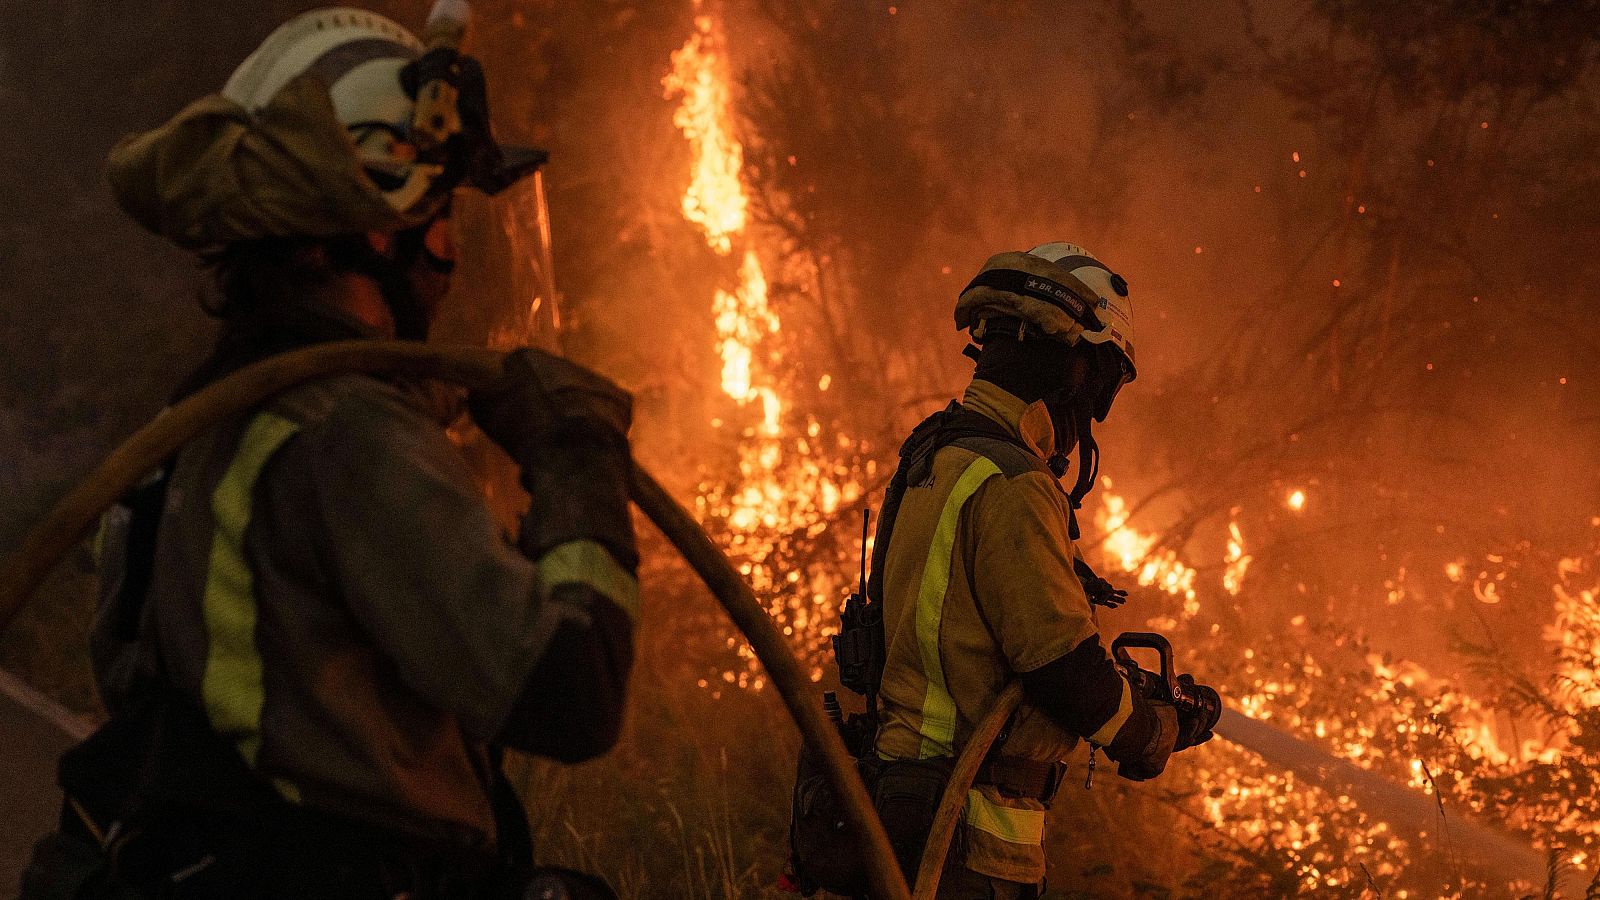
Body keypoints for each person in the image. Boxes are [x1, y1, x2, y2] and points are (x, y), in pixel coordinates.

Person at [21, 5, 636, 899]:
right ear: (375, 232)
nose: (453, 254)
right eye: (440, 217)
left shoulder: (201, 420)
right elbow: (571, 693)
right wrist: (580, 456)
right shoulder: (348, 437)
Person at [866, 242, 1221, 898]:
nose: (1094, 412)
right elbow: (1062, 668)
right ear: (1072, 367)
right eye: (1103, 382)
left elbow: (978, 642)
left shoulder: (939, 455)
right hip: (964, 837)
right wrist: (1150, 731)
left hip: (903, 807)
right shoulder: (1013, 484)